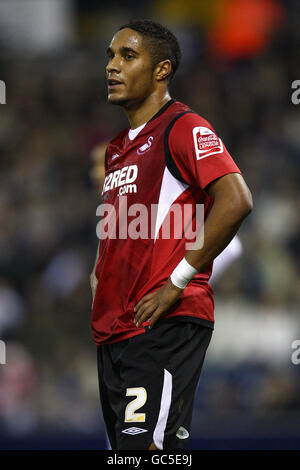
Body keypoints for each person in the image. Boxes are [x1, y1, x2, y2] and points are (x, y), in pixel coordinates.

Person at [90, 19, 253, 450]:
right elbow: (122, 224)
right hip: (115, 330)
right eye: (110, 55)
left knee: (145, 453)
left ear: (162, 70)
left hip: (161, 323)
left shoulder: (183, 126)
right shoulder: (116, 149)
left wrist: (176, 282)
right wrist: (98, 272)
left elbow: (236, 200)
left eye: (127, 56)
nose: (112, 66)